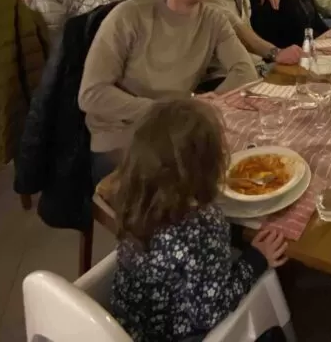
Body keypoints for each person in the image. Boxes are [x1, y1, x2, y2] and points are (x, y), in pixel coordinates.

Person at [110, 99, 289, 341]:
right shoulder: (204, 225)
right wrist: (256, 260)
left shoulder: (134, 203)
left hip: (128, 328)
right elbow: (212, 311)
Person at [79, 0, 257, 180]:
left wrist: (203, 107)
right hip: (123, 134)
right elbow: (91, 95)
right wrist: (174, 110)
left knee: (249, 169)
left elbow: (245, 71)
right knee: (201, 191)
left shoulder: (213, 19)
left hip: (177, 129)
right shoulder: (130, 15)